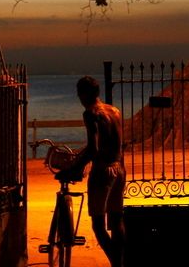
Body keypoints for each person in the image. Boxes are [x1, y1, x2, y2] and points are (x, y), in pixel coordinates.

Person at [56, 76, 126, 267]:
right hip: (119, 168)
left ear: (85, 94)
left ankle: (116, 263)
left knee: (98, 225)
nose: (79, 97)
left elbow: (93, 149)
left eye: (79, 93)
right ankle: (119, 262)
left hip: (102, 171)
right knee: (117, 220)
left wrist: (73, 169)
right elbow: (117, 144)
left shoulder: (91, 114)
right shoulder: (115, 111)